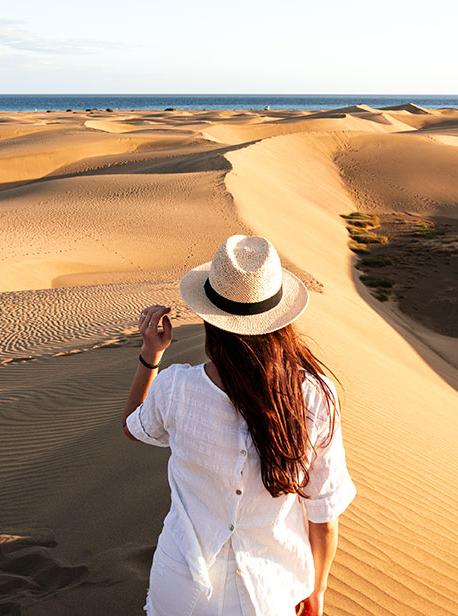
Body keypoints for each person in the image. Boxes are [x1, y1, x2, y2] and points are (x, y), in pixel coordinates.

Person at [123, 234, 356, 616]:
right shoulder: (315, 395)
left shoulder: (175, 387)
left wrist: (151, 355)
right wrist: (317, 590)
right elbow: (324, 518)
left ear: (209, 321)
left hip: (180, 588)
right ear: (280, 319)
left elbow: (132, 426)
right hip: (270, 593)